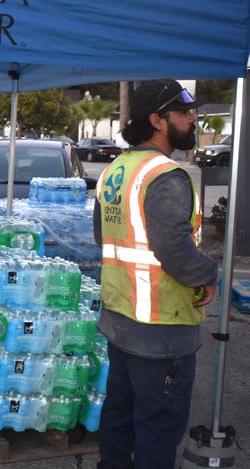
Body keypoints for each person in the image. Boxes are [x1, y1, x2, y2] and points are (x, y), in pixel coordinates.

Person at [94, 79, 218, 468]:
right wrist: (207, 275)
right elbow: (174, 251)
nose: (192, 120)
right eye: (184, 114)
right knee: (158, 428)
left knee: (119, 416)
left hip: (121, 317)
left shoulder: (118, 168)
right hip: (161, 326)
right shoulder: (165, 174)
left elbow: (104, 236)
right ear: (157, 120)